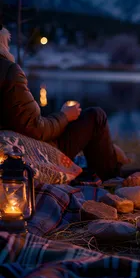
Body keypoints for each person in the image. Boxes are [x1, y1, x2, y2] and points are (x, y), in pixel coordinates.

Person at [0, 24, 130, 180]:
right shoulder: (8, 70)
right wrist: (65, 116)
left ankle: (113, 164)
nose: (8, 45)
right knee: (96, 116)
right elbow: (36, 129)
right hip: (33, 151)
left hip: (15, 142)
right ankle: (112, 178)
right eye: (7, 40)